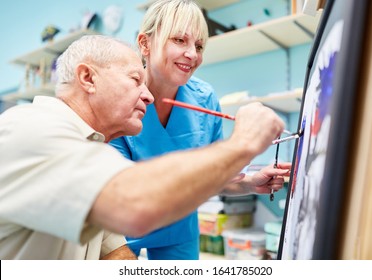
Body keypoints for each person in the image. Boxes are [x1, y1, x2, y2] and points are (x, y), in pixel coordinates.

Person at [0, 34, 287, 260]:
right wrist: (244, 142)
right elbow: (134, 207)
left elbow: (111, 250)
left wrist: (244, 179)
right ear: (88, 78)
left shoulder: (88, 146)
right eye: (135, 79)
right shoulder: (32, 129)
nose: (148, 96)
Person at [109, 0, 291, 260]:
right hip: (119, 236)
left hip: (179, 234)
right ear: (145, 44)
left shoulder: (204, 98)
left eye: (199, 45)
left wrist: (249, 183)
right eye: (180, 40)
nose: (192, 55)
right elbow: (119, 193)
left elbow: (212, 179)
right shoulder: (118, 100)